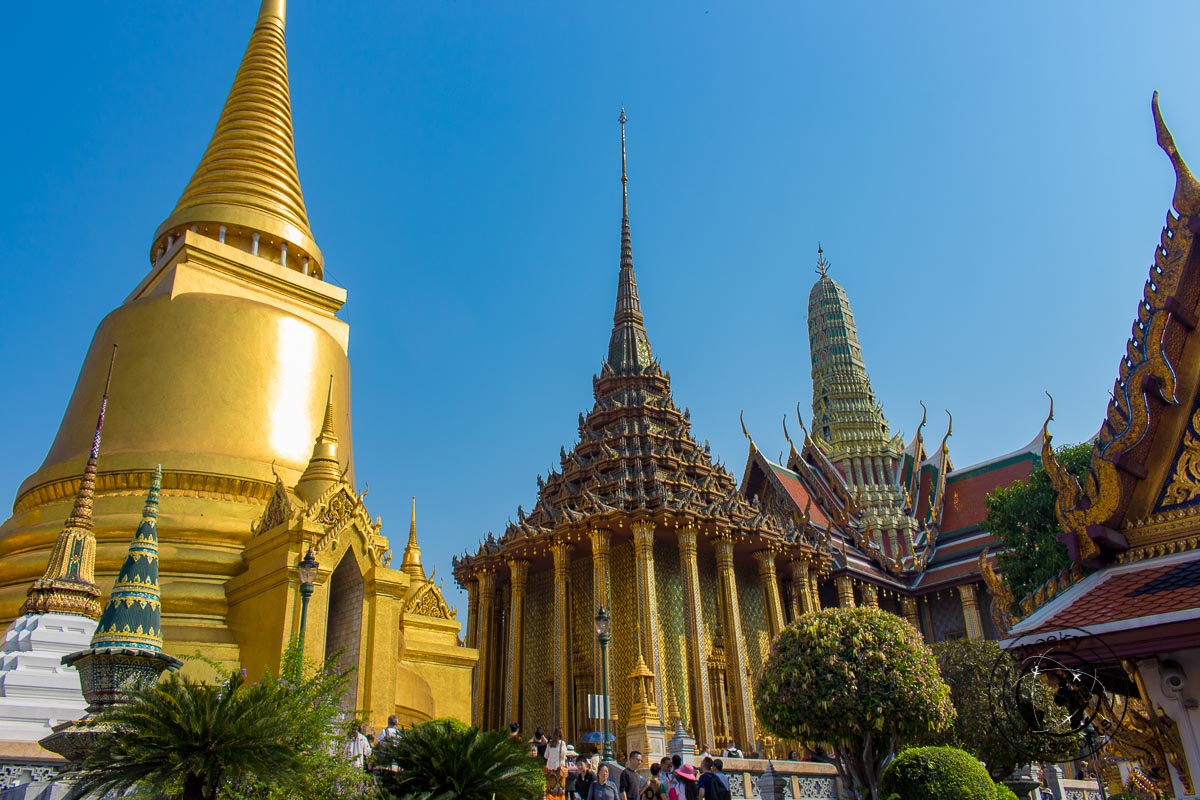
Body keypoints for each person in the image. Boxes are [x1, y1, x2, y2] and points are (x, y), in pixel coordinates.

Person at [546, 727, 570, 795]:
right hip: (559, 769)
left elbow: (545, 756)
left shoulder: (549, 744)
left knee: (551, 788)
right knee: (560, 789)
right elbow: (563, 755)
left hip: (550, 770)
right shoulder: (562, 744)